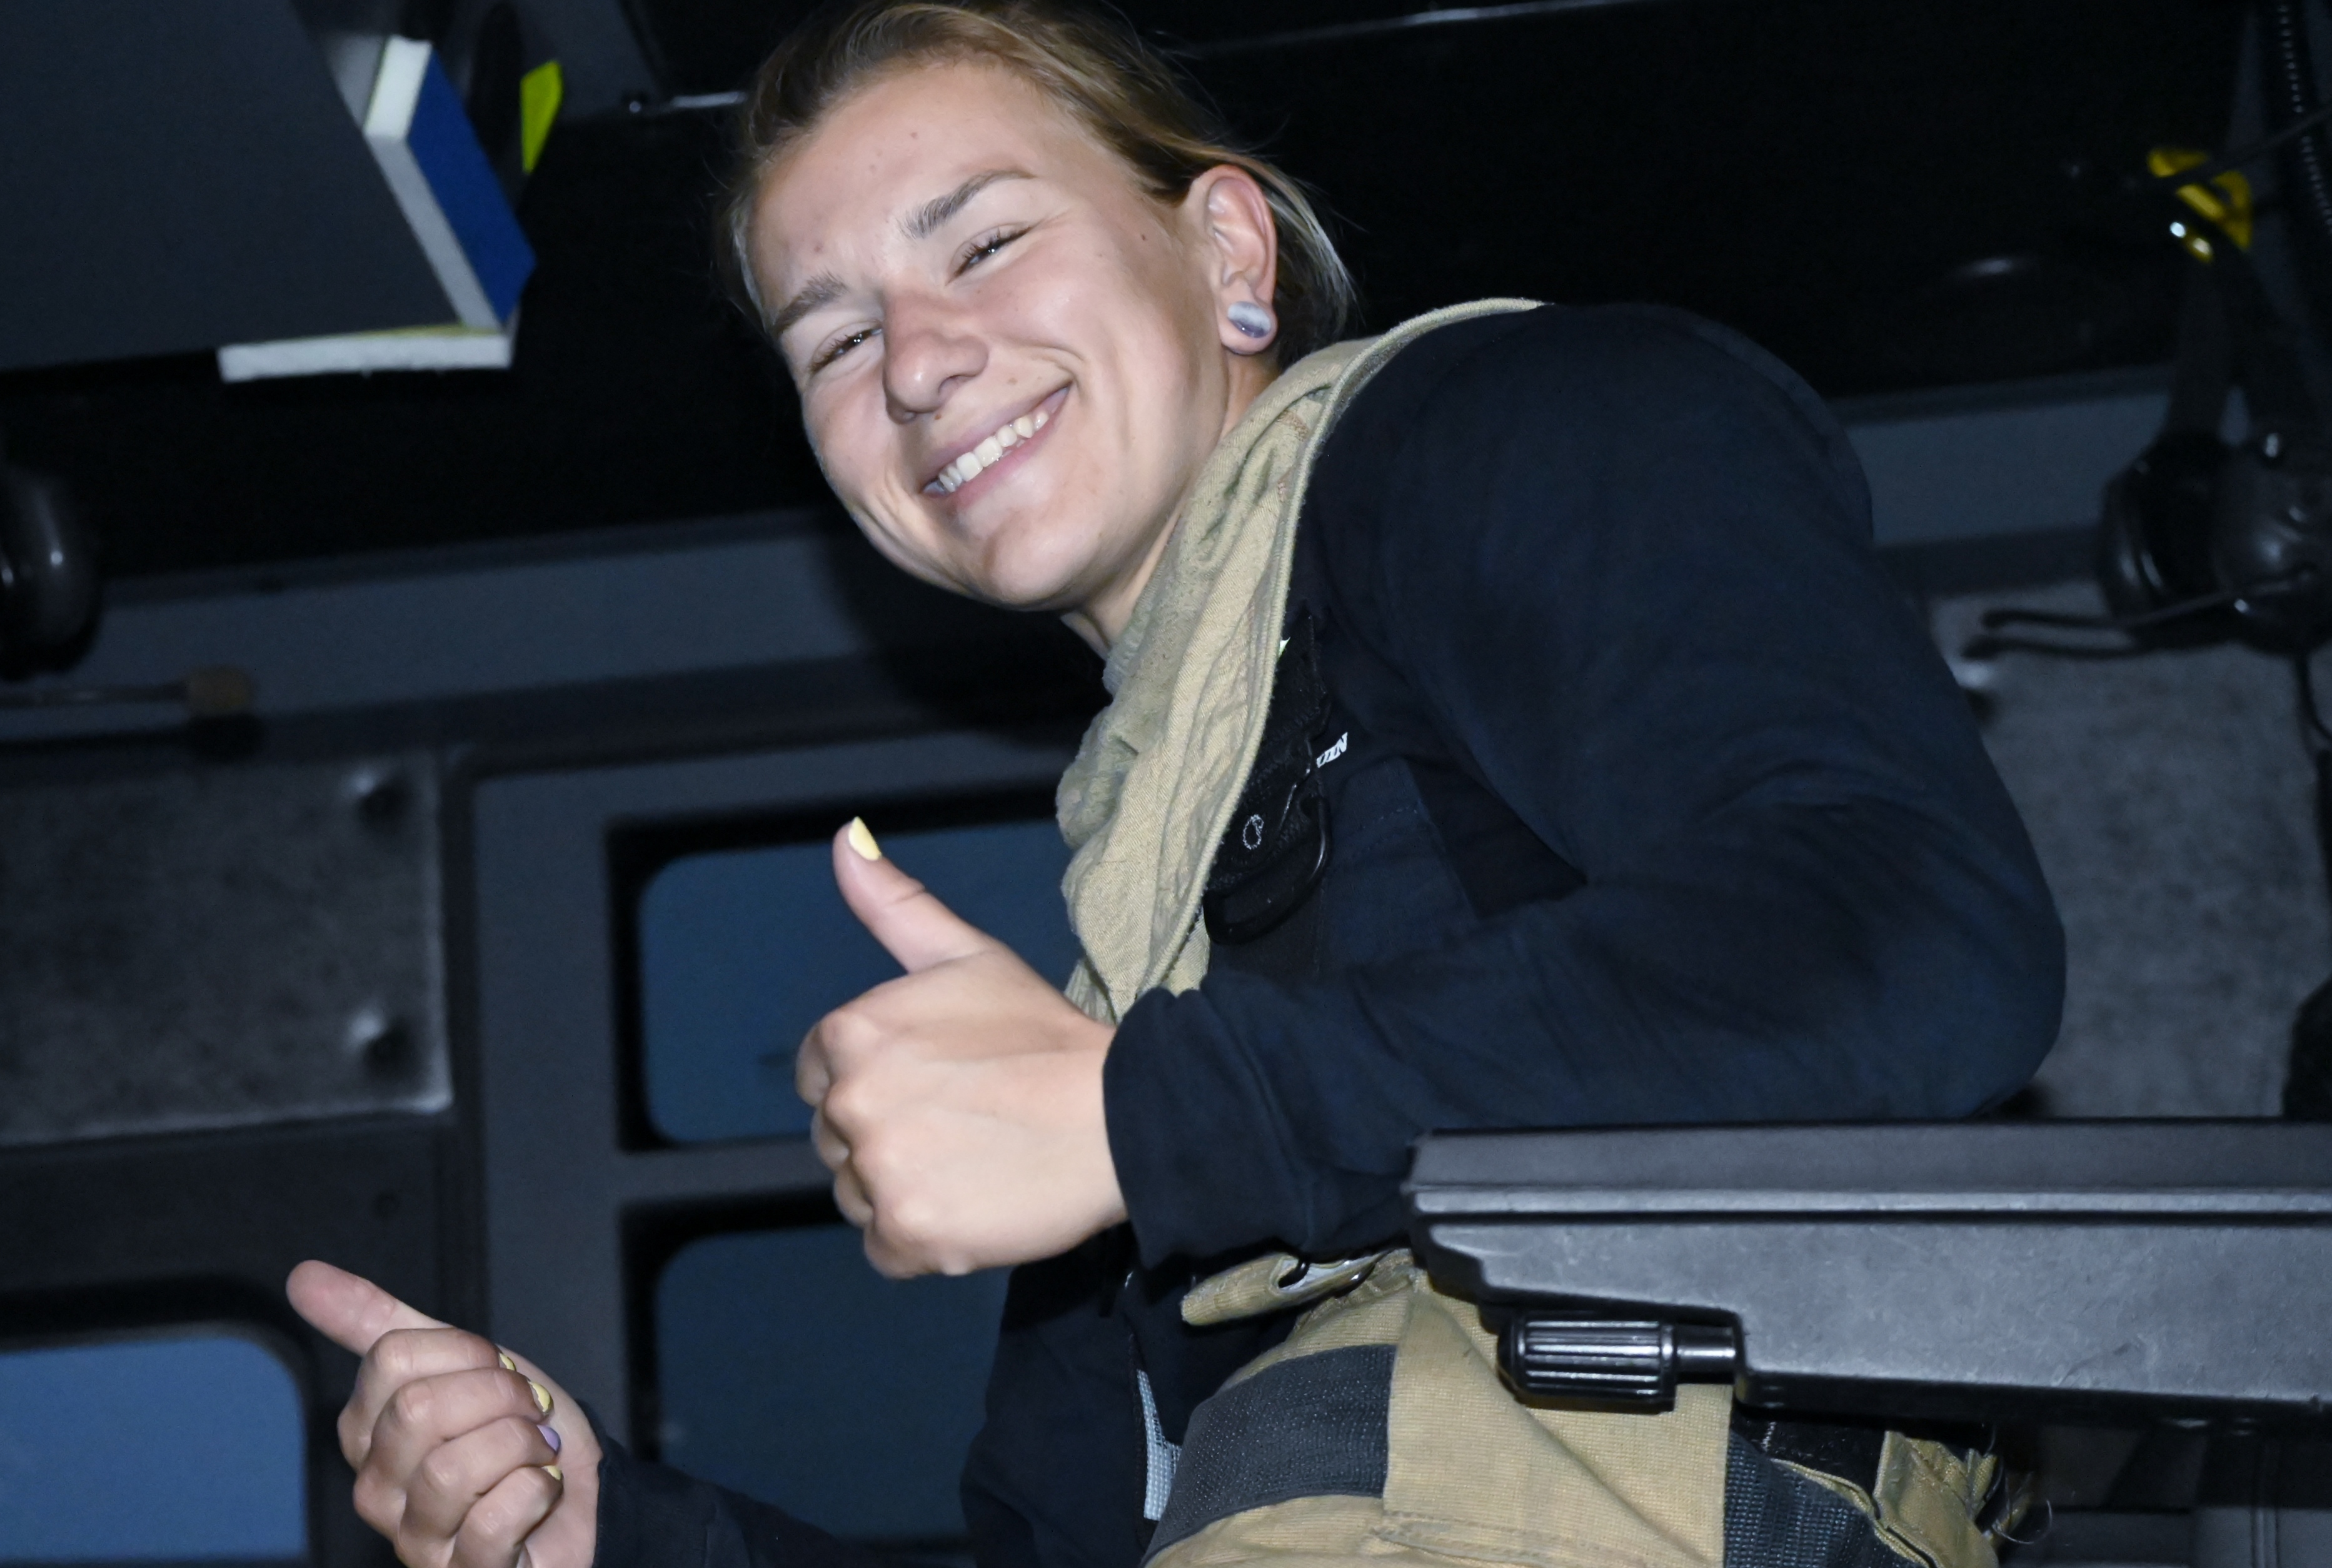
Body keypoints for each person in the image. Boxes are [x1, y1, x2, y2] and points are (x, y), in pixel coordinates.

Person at [288, 3, 2065, 1567]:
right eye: (831, 341)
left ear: (1226, 250)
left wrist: (1146, 1119)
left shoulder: (1502, 432)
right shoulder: (1138, 941)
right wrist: (610, 1529)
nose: (915, 362)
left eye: (985, 241)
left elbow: (1905, 932)